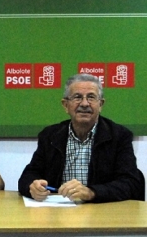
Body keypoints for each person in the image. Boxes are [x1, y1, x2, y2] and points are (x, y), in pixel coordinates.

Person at [18, 73, 144, 203]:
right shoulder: (50, 135)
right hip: (57, 211)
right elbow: (28, 176)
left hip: (101, 212)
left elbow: (131, 184)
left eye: (91, 97)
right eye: (77, 97)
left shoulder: (119, 136)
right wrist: (32, 187)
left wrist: (91, 192)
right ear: (65, 105)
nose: (84, 103)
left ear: (100, 104)